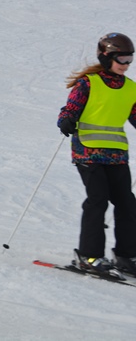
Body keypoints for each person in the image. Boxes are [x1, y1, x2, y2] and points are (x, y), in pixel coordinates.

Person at [58, 33, 136, 277]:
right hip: (88, 152)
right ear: (106, 57)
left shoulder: (131, 88)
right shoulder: (88, 84)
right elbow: (69, 110)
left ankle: (126, 256)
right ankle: (89, 256)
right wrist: (66, 120)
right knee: (98, 199)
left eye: (129, 59)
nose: (126, 64)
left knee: (127, 203)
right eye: (121, 59)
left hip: (116, 154)